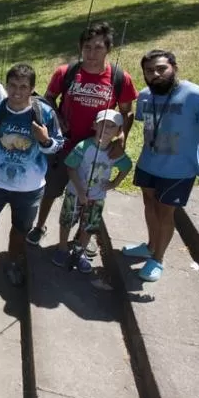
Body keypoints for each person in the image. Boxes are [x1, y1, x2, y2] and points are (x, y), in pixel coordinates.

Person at [29, 22, 138, 251]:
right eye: (87, 47)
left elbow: (127, 112)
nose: (91, 53)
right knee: (51, 189)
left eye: (98, 47)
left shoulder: (120, 78)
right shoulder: (65, 73)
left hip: (97, 150)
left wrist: (121, 140)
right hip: (64, 146)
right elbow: (48, 99)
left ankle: (81, 237)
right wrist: (58, 118)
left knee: (90, 194)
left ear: (108, 49)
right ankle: (40, 226)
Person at [122, 50, 199, 283]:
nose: (155, 74)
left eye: (161, 68)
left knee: (165, 212)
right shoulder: (146, 96)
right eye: (149, 71)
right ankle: (150, 246)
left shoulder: (198, 96)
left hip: (179, 170)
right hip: (148, 163)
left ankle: (158, 259)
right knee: (149, 204)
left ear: (174, 68)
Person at [0, 64, 64, 287]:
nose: (17, 92)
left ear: (32, 89)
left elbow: (57, 145)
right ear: (6, 86)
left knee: (20, 230)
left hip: (29, 188)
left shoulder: (44, 113)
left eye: (23, 87)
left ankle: (12, 263)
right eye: (13, 86)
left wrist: (45, 140)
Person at [52, 109, 132, 274]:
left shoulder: (115, 152)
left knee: (89, 226)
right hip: (75, 193)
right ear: (94, 125)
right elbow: (71, 168)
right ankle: (61, 249)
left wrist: (114, 183)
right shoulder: (83, 146)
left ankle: (79, 252)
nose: (106, 129)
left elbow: (127, 166)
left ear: (118, 132)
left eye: (112, 126)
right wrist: (81, 191)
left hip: (97, 196)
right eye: (103, 124)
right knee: (67, 220)